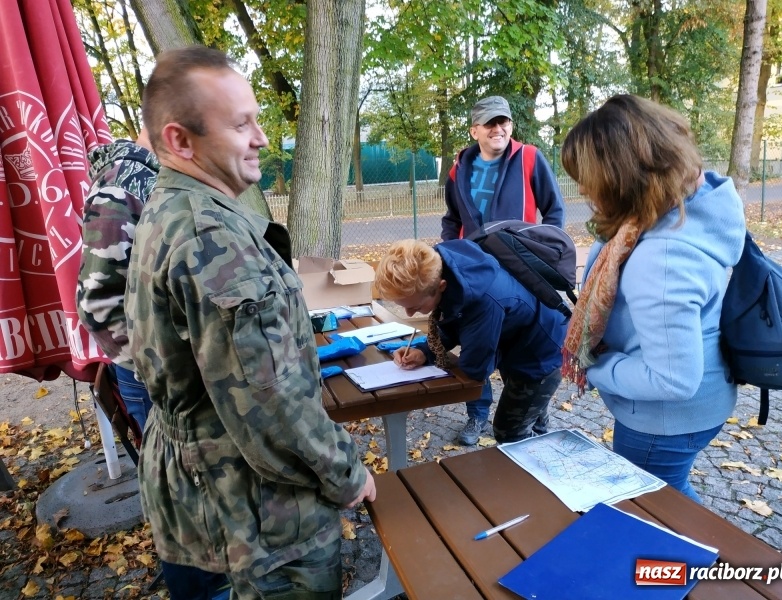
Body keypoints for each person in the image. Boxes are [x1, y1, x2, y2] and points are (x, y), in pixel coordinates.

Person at [124, 45, 376, 599]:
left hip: (204, 497)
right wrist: (348, 473)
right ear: (180, 140)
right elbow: (272, 406)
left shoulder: (169, 210)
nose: (262, 138)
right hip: (259, 519)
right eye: (242, 125)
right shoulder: (210, 238)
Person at [560, 94, 746, 503]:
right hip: (703, 401)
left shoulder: (662, 260)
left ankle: (697, 565)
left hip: (664, 420)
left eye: (587, 179)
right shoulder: (694, 204)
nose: (583, 190)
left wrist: (596, 367)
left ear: (621, 179)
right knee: (673, 494)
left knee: (652, 511)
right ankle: (705, 553)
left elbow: (673, 379)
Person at [76, 131, 231, 599]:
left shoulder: (148, 177)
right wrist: (164, 365)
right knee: (186, 496)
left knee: (191, 493)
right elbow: (97, 303)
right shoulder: (123, 184)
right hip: (156, 376)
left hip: (168, 370)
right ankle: (204, 586)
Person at [442, 94, 567, 445]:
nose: (499, 128)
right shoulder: (459, 168)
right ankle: (477, 416)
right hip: (475, 272)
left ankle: (532, 411)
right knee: (475, 341)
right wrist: (451, 254)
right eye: (490, 123)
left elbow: (554, 210)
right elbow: (452, 219)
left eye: (504, 122)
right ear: (474, 130)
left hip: (522, 269)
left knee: (522, 336)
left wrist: (544, 253)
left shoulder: (529, 158)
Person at [374, 239, 566, 445]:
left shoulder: (483, 302)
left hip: (541, 350)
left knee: (509, 432)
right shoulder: (441, 267)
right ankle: (538, 422)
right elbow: (454, 321)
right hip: (516, 338)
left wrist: (442, 359)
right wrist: (424, 351)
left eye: (415, 306)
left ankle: (543, 457)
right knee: (528, 407)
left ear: (441, 286)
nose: (409, 313)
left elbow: (476, 368)